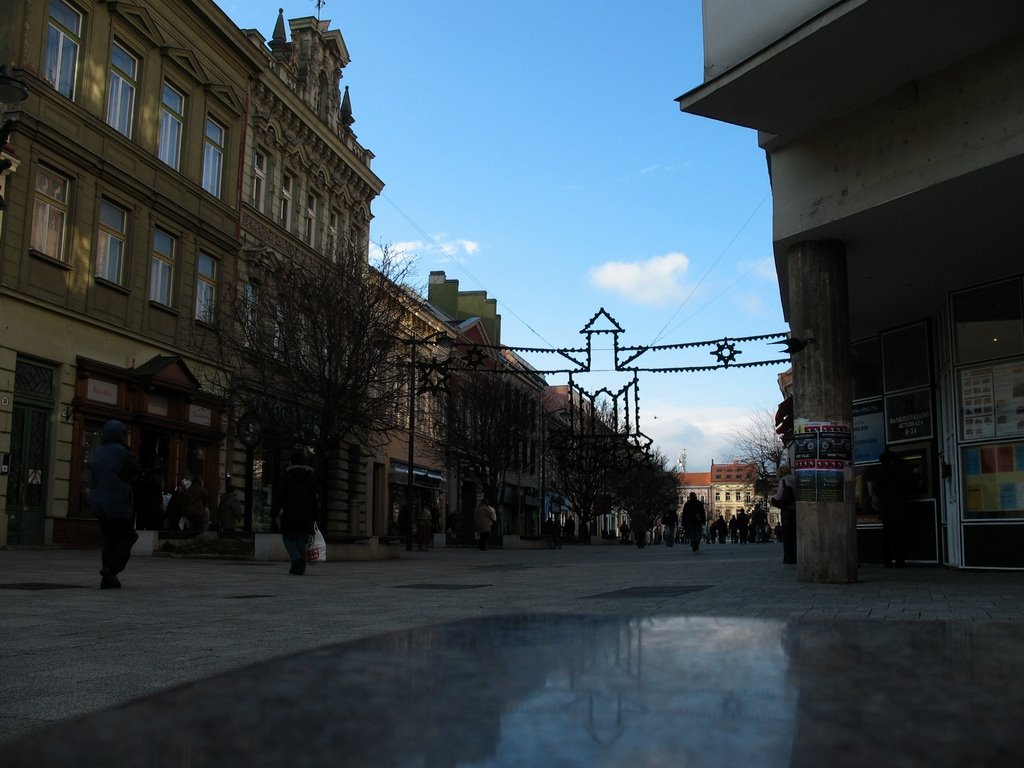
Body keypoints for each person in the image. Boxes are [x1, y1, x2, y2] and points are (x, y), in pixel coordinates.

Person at [90, 420, 140, 589]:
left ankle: (107, 578)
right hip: (118, 503)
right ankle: (111, 570)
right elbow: (133, 471)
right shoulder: (122, 452)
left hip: (99, 503)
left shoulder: (99, 451)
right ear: (121, 435)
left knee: (109, 539)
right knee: (128, 537)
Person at [278, 450, 317, 575]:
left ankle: (297, 559)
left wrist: (273, 514)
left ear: (291, 462)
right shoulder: (310, 478)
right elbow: (313, 500)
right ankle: (300, 566)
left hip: (290, 514)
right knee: (301, 539)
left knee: (287, 538)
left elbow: (280, 497)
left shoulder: (286, 477)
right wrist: (315, 516)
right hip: (306, 515)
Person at [875, 449, 911, 567]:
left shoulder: (880, 473)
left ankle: (887, 561)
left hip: (886, 510)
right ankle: (900, 561)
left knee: (887, 537)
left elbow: (877, 491)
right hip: (899, 508)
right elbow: (908, 485)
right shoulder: (899, 470)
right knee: (899, 537)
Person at [772, 465, 797, 564]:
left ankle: (788, 558)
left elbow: (778, 496)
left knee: (787, 535)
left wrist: (773, 498)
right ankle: (795, 556)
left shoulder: (783, 480)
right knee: (794, 534)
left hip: (787, 510)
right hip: (796, 508)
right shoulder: (795, 478)